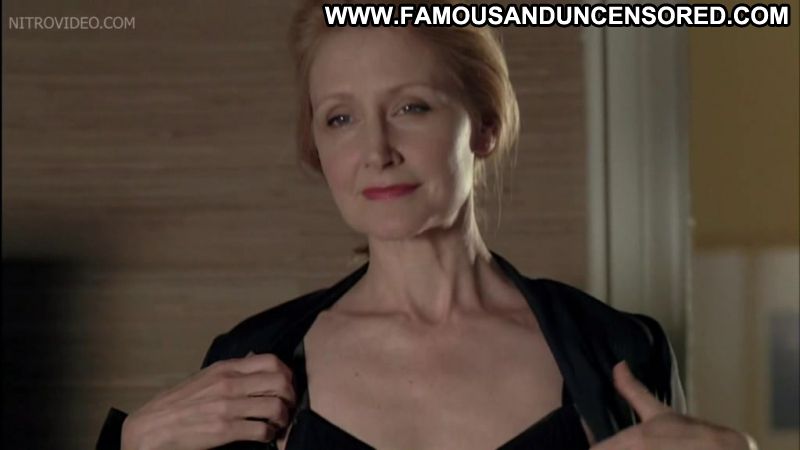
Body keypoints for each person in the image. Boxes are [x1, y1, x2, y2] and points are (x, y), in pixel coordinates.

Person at [97, 1, 759, 449]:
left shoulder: (617, 350)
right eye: (340, 118)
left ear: (485, 126)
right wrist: (130, 445)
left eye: (411, 106)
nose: (375, 150)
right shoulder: (251, 363)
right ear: (316, 147)